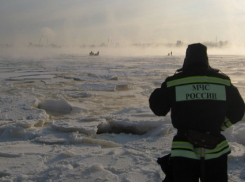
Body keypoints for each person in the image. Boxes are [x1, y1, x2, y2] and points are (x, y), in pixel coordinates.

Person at [149, 43, 245, 182]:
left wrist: (159, 92)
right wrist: (220, 127)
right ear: (206, 59)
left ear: (187, 59)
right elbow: (239, 110)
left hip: (183, 150)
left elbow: (158, 109)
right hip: (216, 149)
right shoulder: (222, 82)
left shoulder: (174, 83)